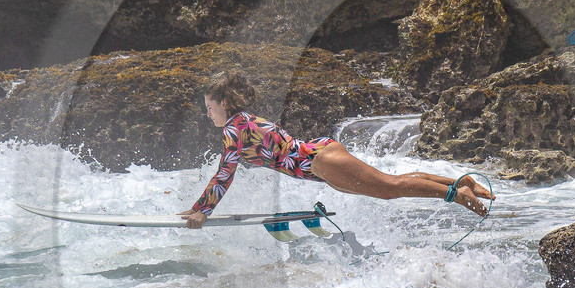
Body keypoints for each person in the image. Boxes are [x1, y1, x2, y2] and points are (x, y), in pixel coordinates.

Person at [179, 70, 492, 228]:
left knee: (389, 188)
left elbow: (224, 174)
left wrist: (201, 212)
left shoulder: (234, 127)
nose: (208, 114)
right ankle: (458, 183)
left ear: (223, 103)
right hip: (320, 157)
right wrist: (198, 208)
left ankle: (456, 195)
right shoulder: (243, 122)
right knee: (388, 181)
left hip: (320, 163)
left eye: (209, 107)